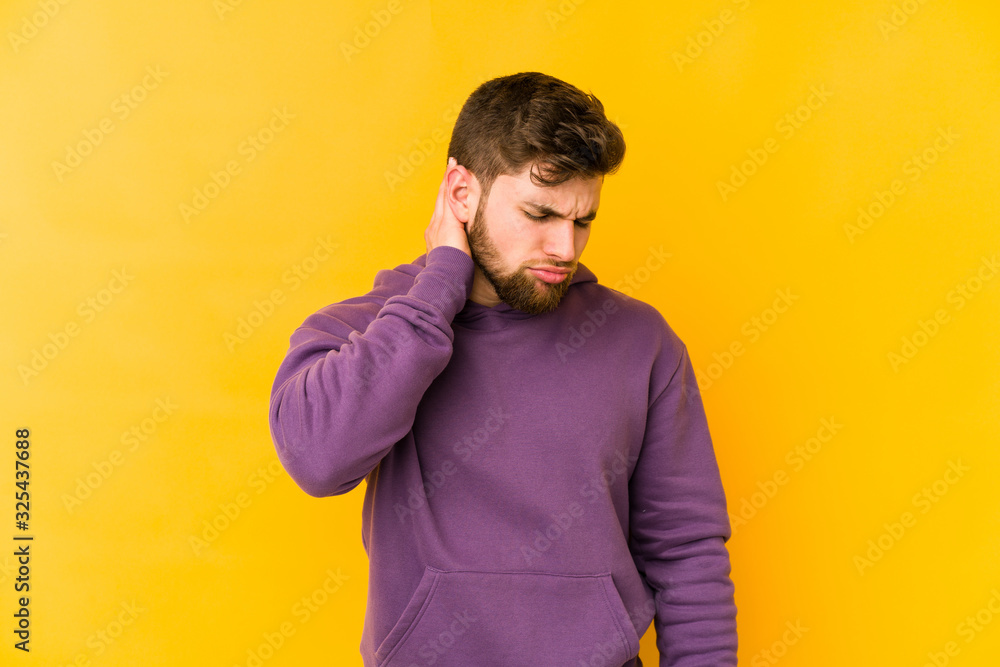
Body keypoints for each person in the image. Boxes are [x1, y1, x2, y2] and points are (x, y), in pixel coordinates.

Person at [268, 71, 737, 666]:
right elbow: (317, 461)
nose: (565, 249)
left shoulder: (640, 341)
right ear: (462, 193)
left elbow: (687, 551)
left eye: (583, 221)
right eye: (540, 214)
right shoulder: (370, 331)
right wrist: (439, 286)